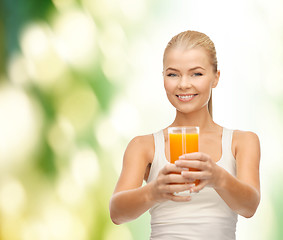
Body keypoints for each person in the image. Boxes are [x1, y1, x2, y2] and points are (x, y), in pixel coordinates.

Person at [109, 30, 260, 240]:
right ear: (163, 78)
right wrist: (152, 192)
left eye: (196, 73)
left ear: (216, 77)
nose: (183, 84)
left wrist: (218, 177)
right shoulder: (144, 146)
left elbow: (249, 207)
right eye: (173, 74)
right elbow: (117, 212)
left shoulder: (242, 141)